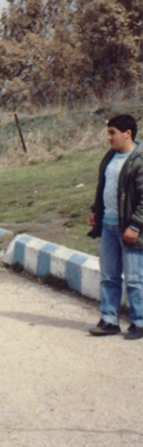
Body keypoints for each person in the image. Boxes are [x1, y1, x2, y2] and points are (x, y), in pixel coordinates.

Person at [87, 114, 143, 339]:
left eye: (112, 132)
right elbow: (104, 186)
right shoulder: (111, 156)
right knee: (109, 275)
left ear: (127, 133)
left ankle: (139, 321)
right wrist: (96, 211)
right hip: (109, 226)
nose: (108, 137)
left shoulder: (139, 159)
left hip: (130, 229)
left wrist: (136, 226)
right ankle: (109, 320)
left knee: (134, 278)